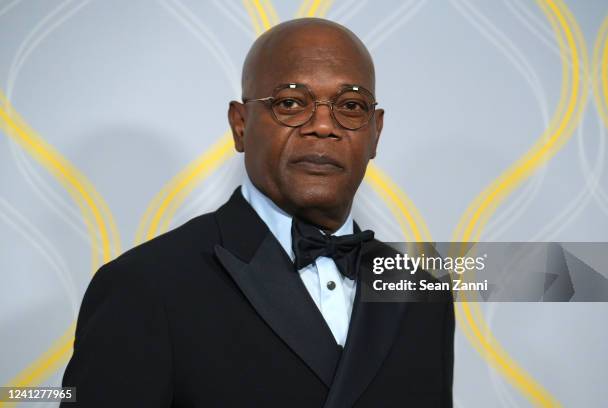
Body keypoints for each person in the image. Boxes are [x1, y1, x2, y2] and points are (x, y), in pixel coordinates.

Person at [61, 17, 454, 407]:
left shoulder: (424, 293)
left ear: (375, 132)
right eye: (290, 103)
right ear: (240, 125)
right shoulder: (145, 286)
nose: (322, 126)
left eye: (350, 105)